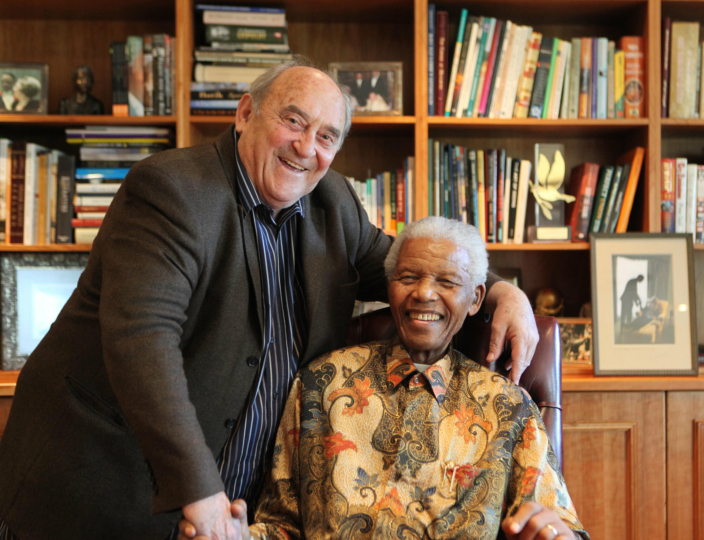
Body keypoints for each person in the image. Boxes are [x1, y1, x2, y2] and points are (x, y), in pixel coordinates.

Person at [0, 58, 537, 540]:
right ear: (245, 114)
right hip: (99, 482)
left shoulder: (333, 204)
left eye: (326, 136)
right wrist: (200, 491)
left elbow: (413, 269)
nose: (306, 147)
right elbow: (142, 342)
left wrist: (501, 292)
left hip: (237, 511)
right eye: (294, 121)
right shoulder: (170, 189)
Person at [178, 217, 589, 540]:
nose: (424, 293)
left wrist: (557, 535)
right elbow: (282, 524)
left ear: (476, 299)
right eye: (408, 277)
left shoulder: (507, 405)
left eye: (447, 281)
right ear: (389, 286)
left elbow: (559, 523)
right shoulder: (321, 383)